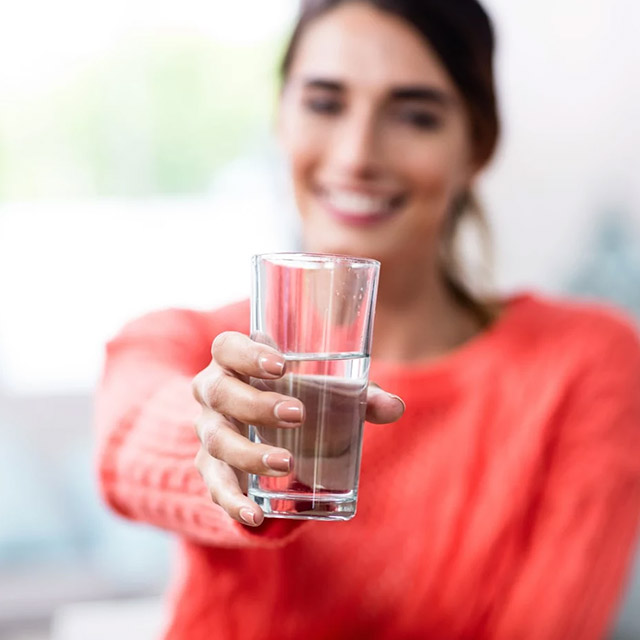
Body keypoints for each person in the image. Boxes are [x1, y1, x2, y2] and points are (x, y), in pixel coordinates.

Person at [94, 1, 640, 638]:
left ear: (477, 146)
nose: (357, 155)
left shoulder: (588, 361)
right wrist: (221, 441)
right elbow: (129, 439)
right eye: (325, 104)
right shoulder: (189, 345)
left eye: (415, 115)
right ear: (281, 120)